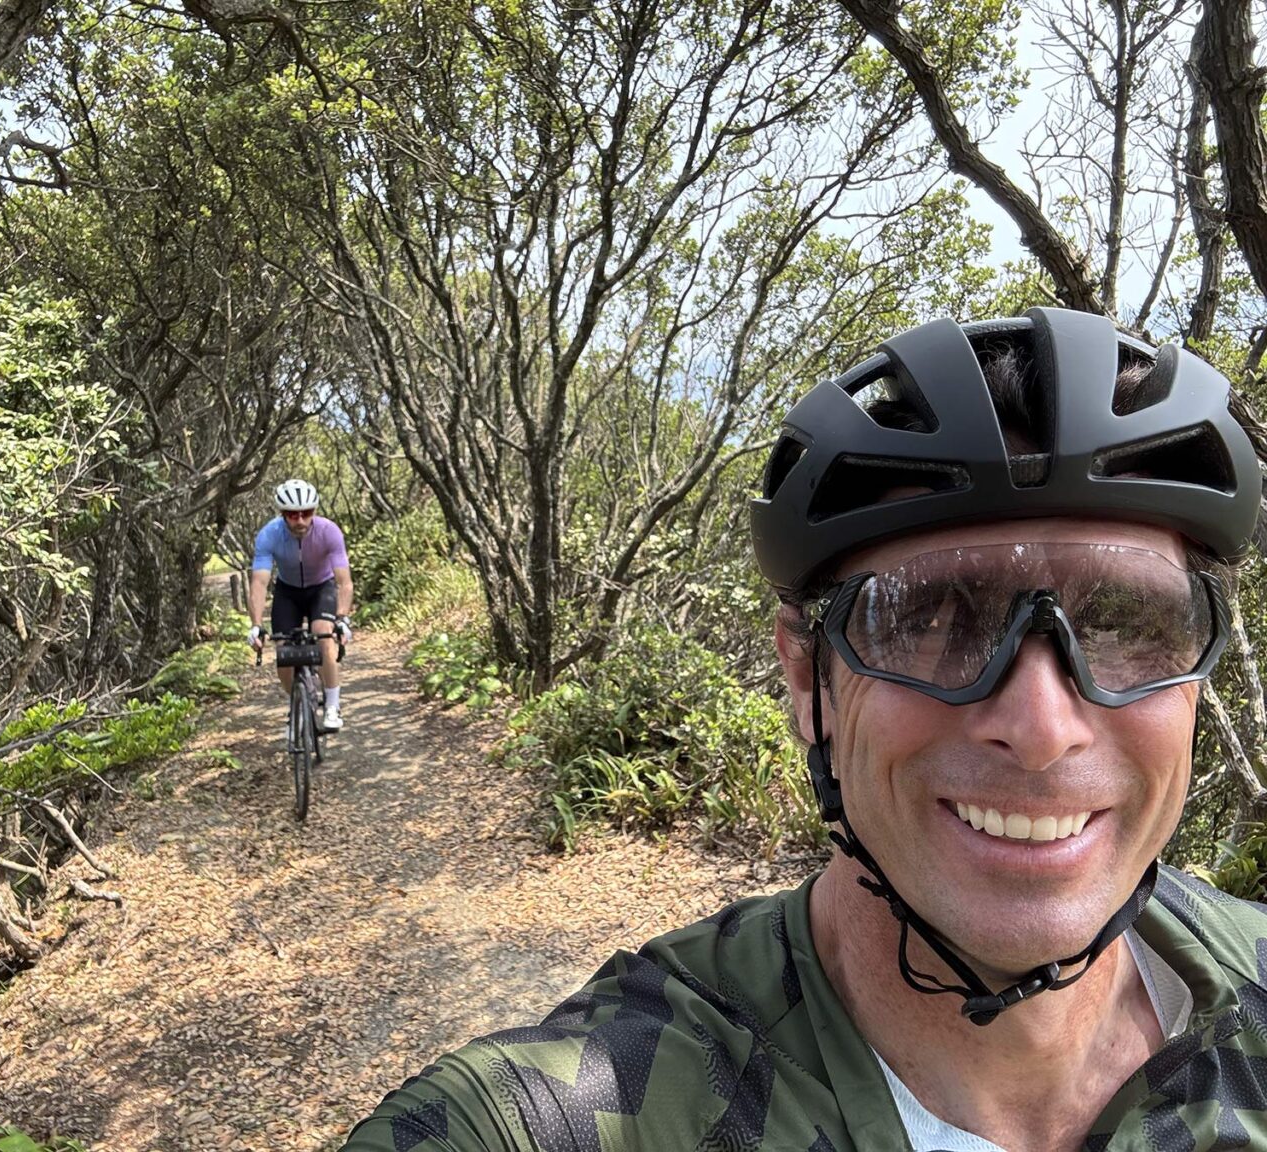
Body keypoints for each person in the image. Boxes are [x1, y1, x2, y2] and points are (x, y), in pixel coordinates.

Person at [338, 309, 1267, 1151]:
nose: (1041, 726)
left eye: (1127, 624)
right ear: (807, 676)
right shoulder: (569, 1117)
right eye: (932, 617)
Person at [247, 479, 354, 731]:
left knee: (323, 635)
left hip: (321, 587)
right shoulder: (269, 535)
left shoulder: (329, 531)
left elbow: (344, 582)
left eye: (306, 513)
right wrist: (255, 625)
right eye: (293, 515)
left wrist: (342, 618)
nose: (300, 521)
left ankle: (331, 706)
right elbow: (259, 583)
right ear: (282, 515)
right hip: (288, 592)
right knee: (283, 652)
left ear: (314, 511)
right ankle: (296, 703)